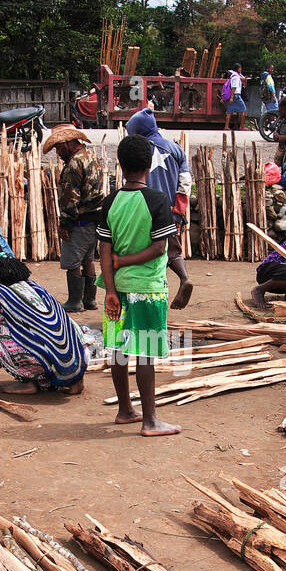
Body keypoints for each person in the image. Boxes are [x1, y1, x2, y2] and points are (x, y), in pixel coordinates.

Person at [98, 134, 180, 437]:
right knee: (144, 353)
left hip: (116, 289)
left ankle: (124, 410)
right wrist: (125, 261)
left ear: (121, 165)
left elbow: (104, 250)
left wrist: (109, 287)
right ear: (149, 165)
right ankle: (150, 421)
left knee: (118, 349)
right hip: (147, 288)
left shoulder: (111, 201)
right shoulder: (158, 200)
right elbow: (160, 249)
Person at [0, 254, 89, 395]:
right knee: (63, 327)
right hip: (79, 356)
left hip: (48, 361)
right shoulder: (35, 289)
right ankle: (76, 382)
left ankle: (29, 382)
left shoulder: (1, 299)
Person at [125, 108, 195, 308]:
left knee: (147, 252)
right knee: (172, 249)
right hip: (170, 210)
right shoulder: (175, 149)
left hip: (143, 208)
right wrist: (178, 212)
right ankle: (184, 278)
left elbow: (129, 182)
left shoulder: (137, 150)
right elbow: (185, 183)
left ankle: (151, 291)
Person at [44, 124, 105, 312]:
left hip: (80, 220)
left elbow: (71, 198)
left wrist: (64, 223)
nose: (58, 152)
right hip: (94, 219)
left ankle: (75, 301)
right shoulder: (91, 157)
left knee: (73, 262)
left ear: (68, 143)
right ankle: (90, 300)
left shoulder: (73, 164)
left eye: (59, 147)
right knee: (88, 260)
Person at [223, 64, 246, 131]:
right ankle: (241, 127)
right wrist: (232, 97)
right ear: (238, 69)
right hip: (236, 96)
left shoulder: (232, 76)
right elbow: (234, 87)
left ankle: (226, 126)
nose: (241, 69)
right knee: (243, 110)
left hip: (232, 96)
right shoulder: (236, 77)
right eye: (240, 68)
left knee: (229, 111)